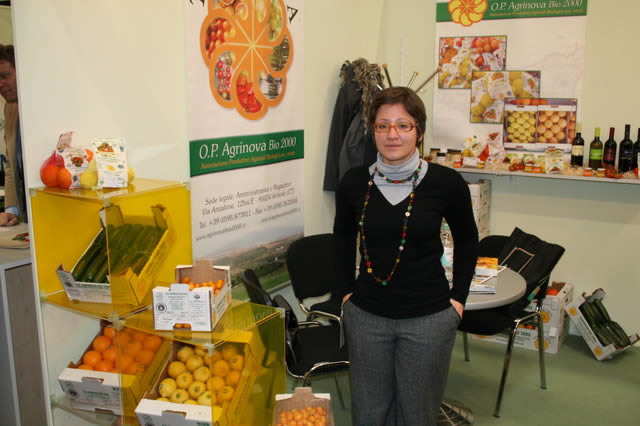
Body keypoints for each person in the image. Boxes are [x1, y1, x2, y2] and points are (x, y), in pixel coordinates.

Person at [334, 87, 479, 426]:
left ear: (419, 131)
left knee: (417, 412)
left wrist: (458, 299)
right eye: (382, 125)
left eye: (403, 125)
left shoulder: (446, 183)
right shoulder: (354, 183)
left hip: (429, 318)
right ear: (373, 131)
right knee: (369, 412)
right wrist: (345, 293)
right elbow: (341, 237)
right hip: (367, 316)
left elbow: (468, 239)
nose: (392, 134)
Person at [0, 44, 25, 226]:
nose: (0, 84)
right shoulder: (9, 108)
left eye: (4, 76)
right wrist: (11, 210)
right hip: (26, 213)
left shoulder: (46, 104)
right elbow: (11, 165)